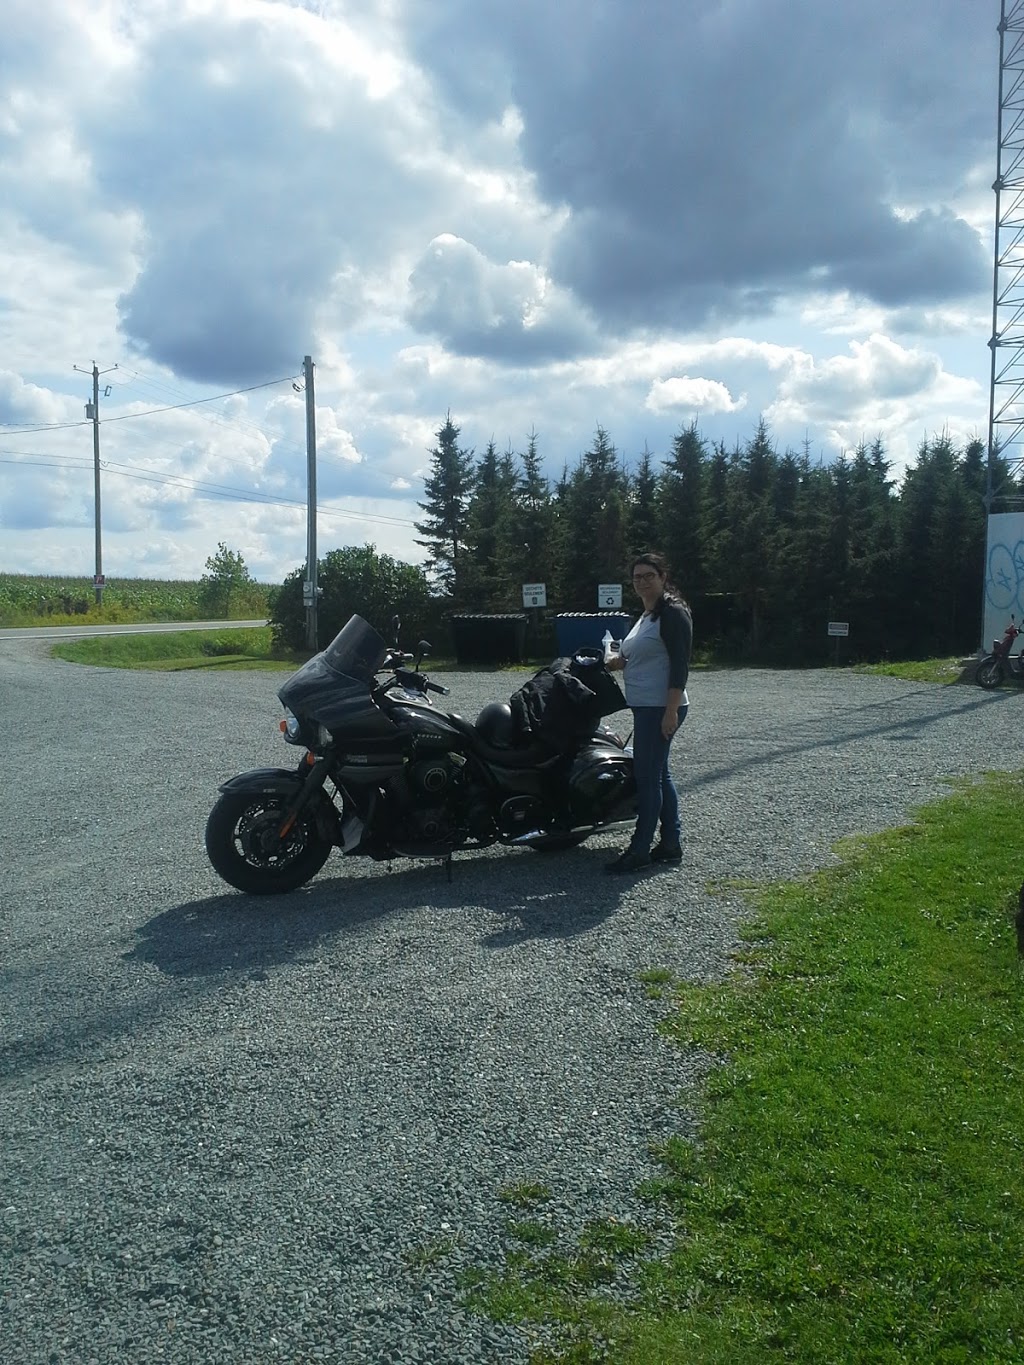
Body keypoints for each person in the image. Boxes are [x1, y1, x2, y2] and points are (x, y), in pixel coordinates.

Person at [603, 552, 691, 874]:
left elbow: (680, 666)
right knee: (659, 774)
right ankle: (670, 845)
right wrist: (613, 664)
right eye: (637, 577)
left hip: (661, 707)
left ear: (662, 577)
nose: (641, 581)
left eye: (648, 576)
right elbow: (635, 656)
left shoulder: (673, 613)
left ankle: (639, 851)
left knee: (647, 776)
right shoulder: (646, 615)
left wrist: (670, 712)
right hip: (646, 706)